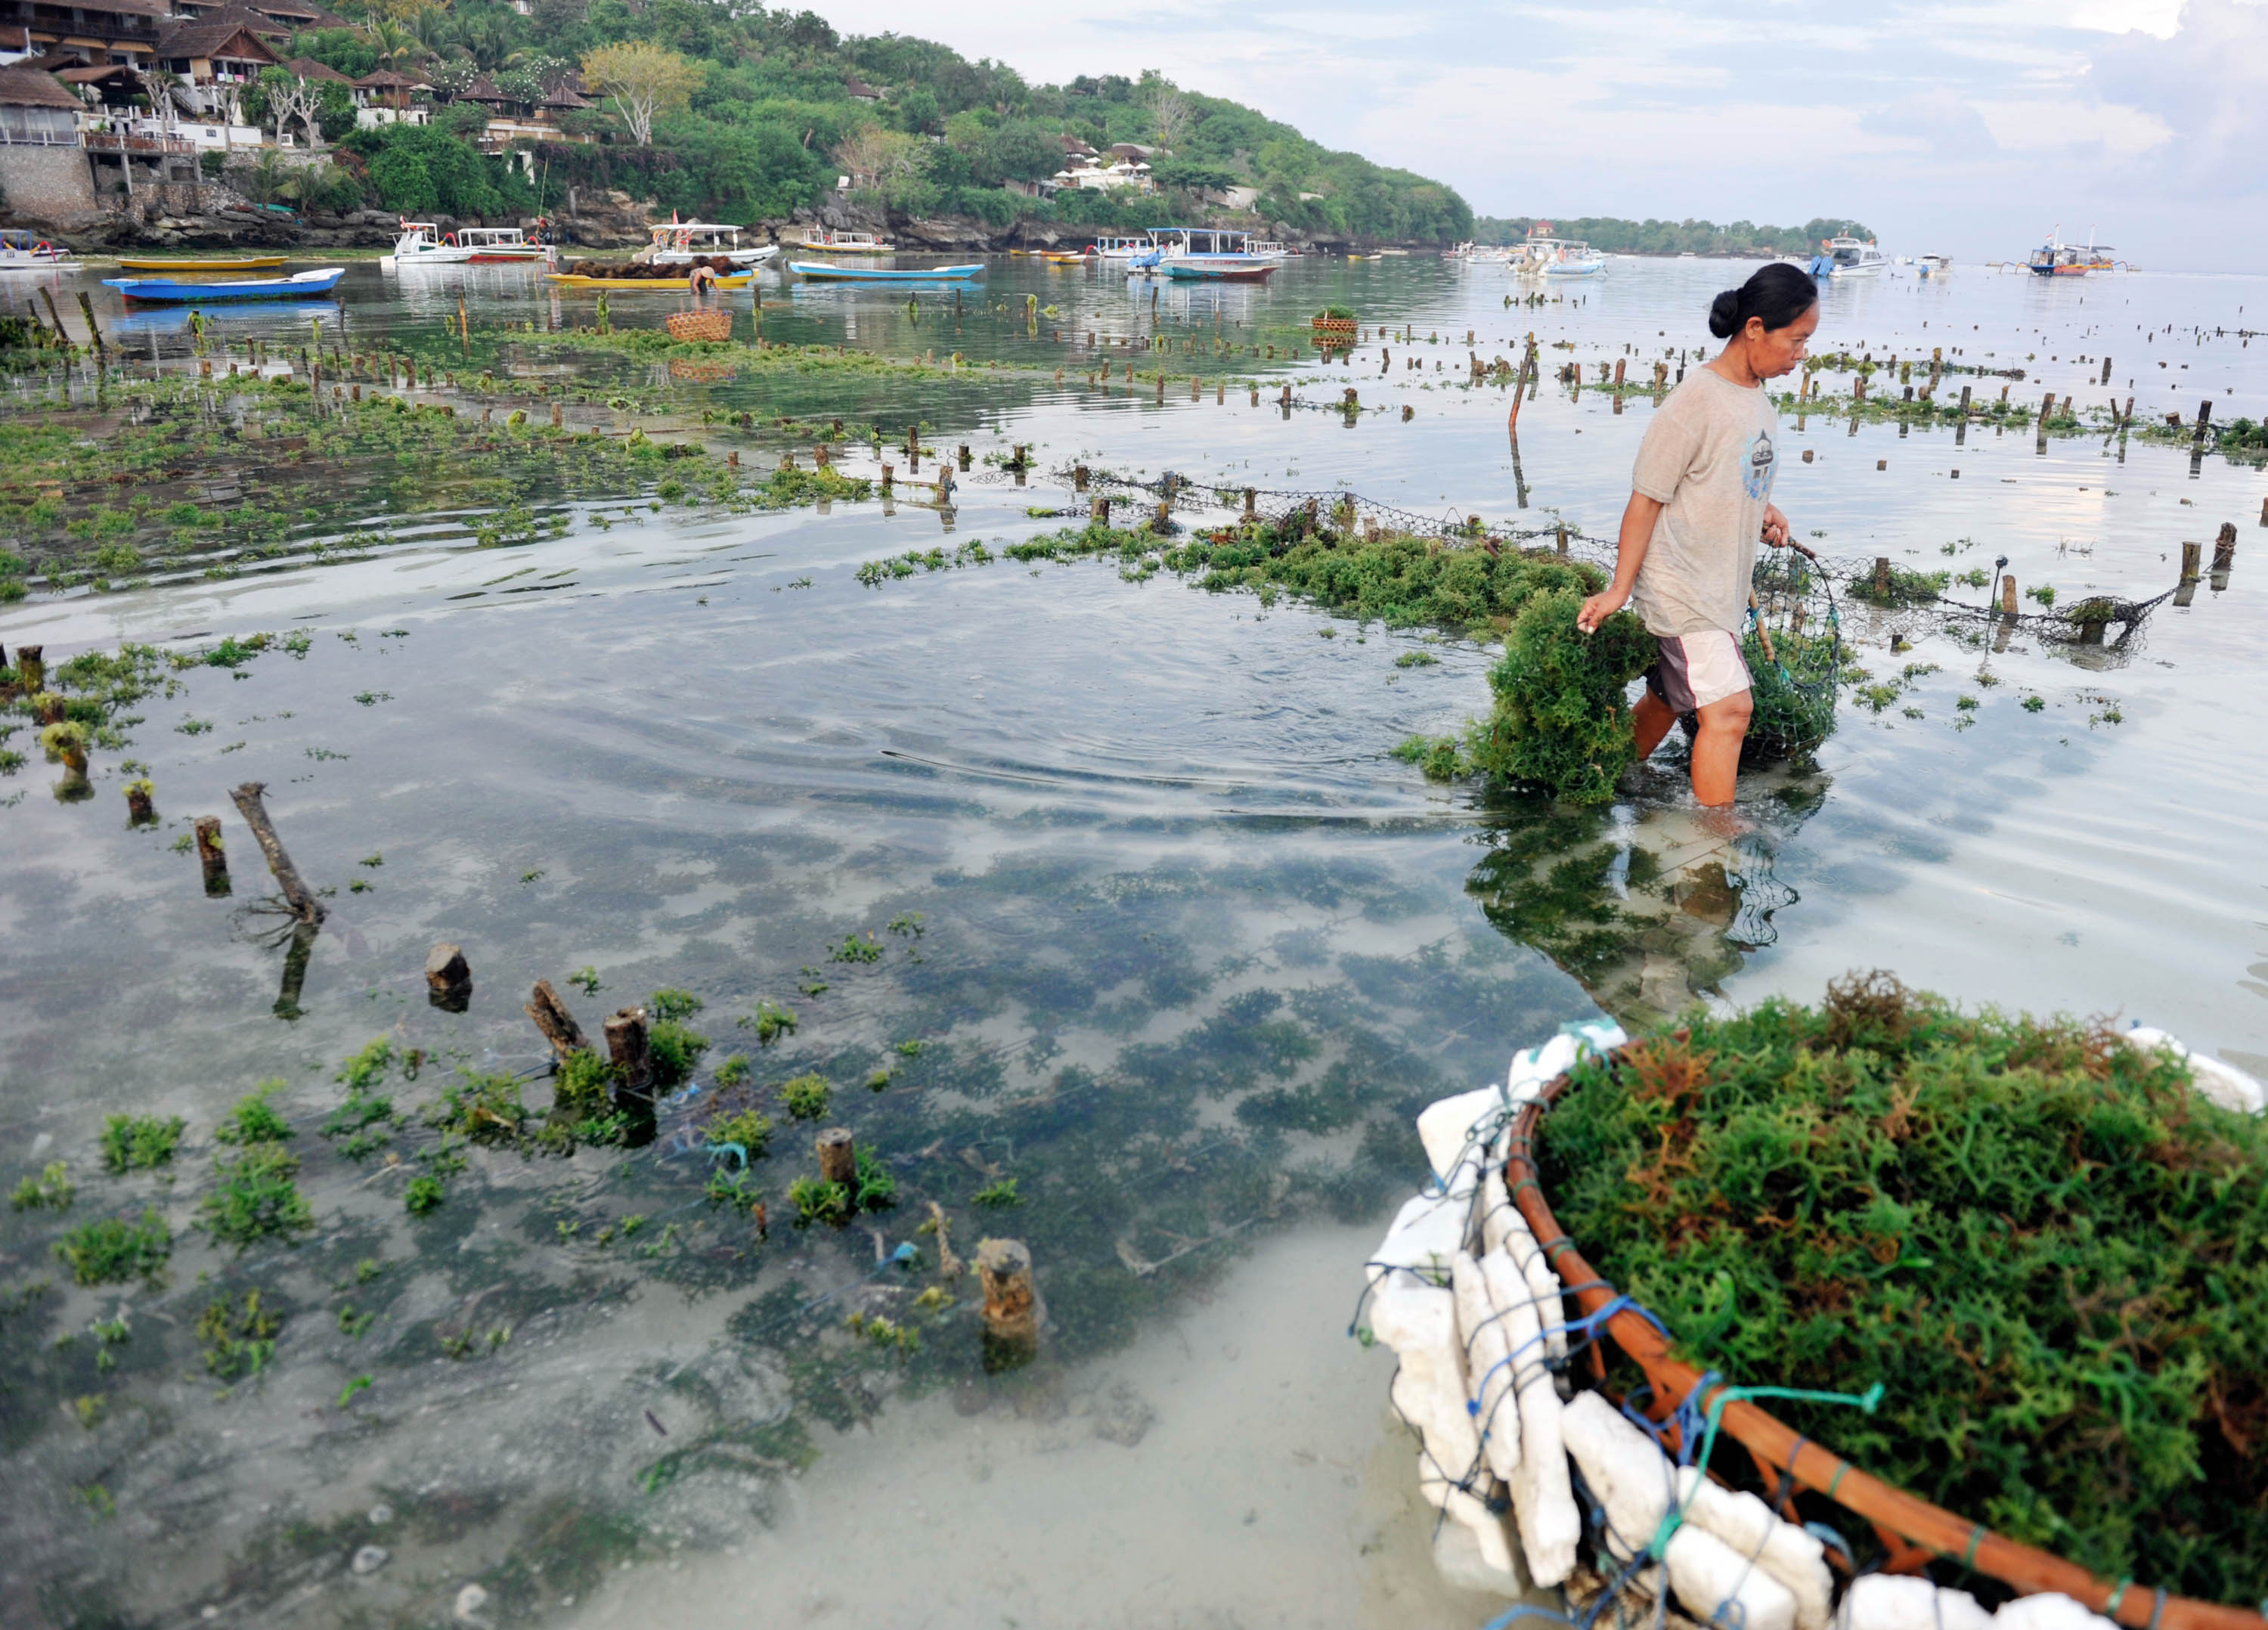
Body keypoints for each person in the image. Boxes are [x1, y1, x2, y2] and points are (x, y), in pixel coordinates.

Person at [1576, 262, 1820, 808]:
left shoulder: (1757, 399)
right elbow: (1646, 499)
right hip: (1682, 586)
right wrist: (1619, 590)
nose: (1801, 354)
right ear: (1755, 328)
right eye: (1796, 340)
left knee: (1669, 699)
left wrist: (1763, 509)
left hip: (1719, 587)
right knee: (1731, 711)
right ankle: (1714, 846)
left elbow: (1723, 477)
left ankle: (1599, 780)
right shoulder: (1694, 401)